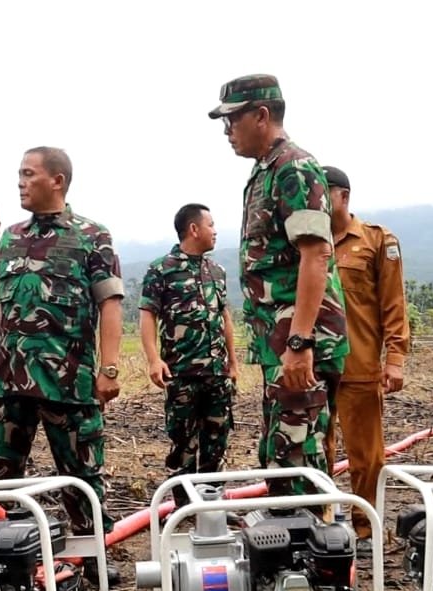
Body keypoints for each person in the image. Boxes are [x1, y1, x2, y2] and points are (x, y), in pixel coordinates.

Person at [0, 148, 123, 583]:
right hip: (9, 381)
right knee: (1, 476)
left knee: (81, 477)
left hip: (69, 382)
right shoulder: (9, 238)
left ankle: (93, 563)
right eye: (19, 174)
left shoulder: (91, 236)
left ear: (58, 181)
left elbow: (110, 303)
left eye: (28, 174)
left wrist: (109, 368)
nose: (20, 182)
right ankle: (3, 561)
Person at [208, 74, 349, 496]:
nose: (227, 132)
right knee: (280, 451)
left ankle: (310, 550)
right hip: (281, 339)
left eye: (231, 120)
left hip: (302, 339)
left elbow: (316, 254)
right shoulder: (264, 172)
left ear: (261, 116)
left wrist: (301, 343)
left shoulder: (294, 168)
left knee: (298, 455)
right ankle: (288, 544)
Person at [323, 166, 409, 544]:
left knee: (366, 456)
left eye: (322, 194)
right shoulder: (307, 244)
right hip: (314, 368)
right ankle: (321, 519)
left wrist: (395, 358)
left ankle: (364, 527)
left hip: (358, 365)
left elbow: (393, 303)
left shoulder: (376, 241)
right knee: (315, 449)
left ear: (343, 196)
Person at [139, 203, 237, 506]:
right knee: (184, 443)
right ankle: (183, 506)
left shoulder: (216, 271)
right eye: (211, 224)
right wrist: (154, 359)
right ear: (194, 229)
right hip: (181, 373)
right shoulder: (161, 270)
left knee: (216, 440)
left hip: (217, 373)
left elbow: (225, 316)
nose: (215, 230)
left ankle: (210, 506)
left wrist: (233, 362)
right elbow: (147, 315)